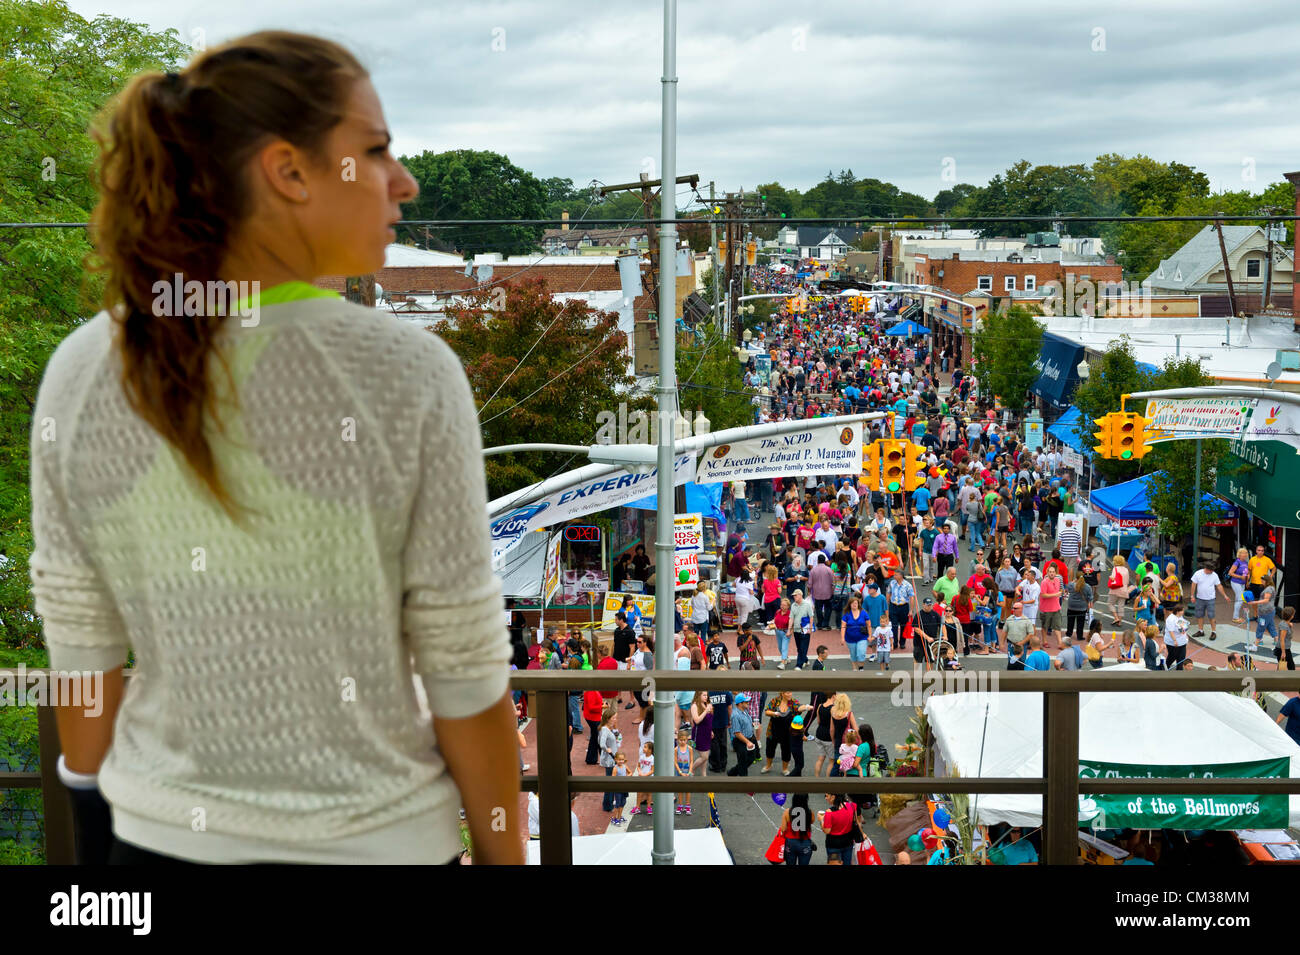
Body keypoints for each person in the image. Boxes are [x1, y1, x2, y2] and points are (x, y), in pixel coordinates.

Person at [32, 32, 524, 865]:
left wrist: (95, 833)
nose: (403, 182)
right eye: (374, 152)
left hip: (148, 847)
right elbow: (465, 671)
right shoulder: (406, 371)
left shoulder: (81, 369)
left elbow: (81, 656)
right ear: (290, 172)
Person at [1188, 560, 1229, 640]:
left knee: (1211, 615)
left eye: (1212, 570)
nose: (1211, 572)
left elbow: (1219, 586)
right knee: (1199, 615)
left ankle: (1214, 632)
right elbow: (1193, 585)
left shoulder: (1214, 575)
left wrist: (1225, 595)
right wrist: (1192, 595)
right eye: (1210, 570)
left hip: (1210, 598)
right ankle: (1201, 631)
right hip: (1200, 598)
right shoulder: (1198, 573)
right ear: (1206, 568)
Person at [760, 691, 798, 776]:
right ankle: (768, 766)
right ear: (782, 693)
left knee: (786, 751)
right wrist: (774, 713)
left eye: (791, 692)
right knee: (770, 749)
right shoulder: (775, 701)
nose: (790, 694)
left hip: (787, 732)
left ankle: (785, 769)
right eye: (787, 693)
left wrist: (806, 707)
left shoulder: (794, 702)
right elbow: (766, 711)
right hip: (773, 731)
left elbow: (799, 708)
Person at [818, 793, 858, 866]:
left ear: (833, 797)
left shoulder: (829, 812)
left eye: (827, 796)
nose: (825, 798)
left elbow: (827, 831)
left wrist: (821, 820)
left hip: (834, 845)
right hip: (848, 842)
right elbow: (856, 821)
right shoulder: (852, 805)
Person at [726, 693, 758, 776]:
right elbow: (737, 733)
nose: (748, 702)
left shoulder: (744, 710)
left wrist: (752, 724)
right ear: (740, 704)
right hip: (741, 742)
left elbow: (744, 723)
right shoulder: (735, 715)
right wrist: (747, 742)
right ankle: (744, 785)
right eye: (746, 701)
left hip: (750, 738)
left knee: (751, 758)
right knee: (743, 764)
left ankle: (732, 772)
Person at [781, 793, 814, 865]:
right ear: (806, 800)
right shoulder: (810, 812)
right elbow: (811, 822)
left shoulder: (787, 812)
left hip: (790, 843)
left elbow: (783, 829)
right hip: (805, 842)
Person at [840, 595, 871, 670]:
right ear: (850, 605)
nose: (854, 605)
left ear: (858, 604)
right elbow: (843, 627)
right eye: (853, 603)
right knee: (853, 655)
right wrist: (842, 638)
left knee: (861, 653)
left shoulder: (863, 613)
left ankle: (861, 667)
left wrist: (870, 635)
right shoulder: (846, 614)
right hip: (850, 639)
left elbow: (869, 624)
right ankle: (854, 669)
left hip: (862, 637)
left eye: (856, 603)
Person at [1001, 601, 1034, 670]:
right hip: (1011, 644)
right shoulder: (1009, 619)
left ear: (1021, 609)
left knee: (1021, 663)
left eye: (1016, 608)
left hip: (1022, 646)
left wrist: (1022, 643)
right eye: (1013, 608)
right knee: (1011, 663)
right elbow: (1004, 631)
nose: (1013, 610)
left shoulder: (1027, 620)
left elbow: (1031, 634)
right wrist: (1002, 643)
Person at [1250, 585, 1279, 653]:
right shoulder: (1271, 588)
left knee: (1260, 628)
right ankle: (1277, 642)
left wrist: (1254, 602)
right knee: (1271, 626)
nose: (1261, 582)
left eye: (1263, 580)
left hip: (1265, 613)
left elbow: (1266, 600)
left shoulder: (1269, 589)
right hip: (1269, 612)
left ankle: (1256, 645)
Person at [1162, 603, 1190, 670]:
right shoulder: (1170, 619)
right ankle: (1164, 669)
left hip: (1182, 642)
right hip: (1172, 643)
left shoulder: (1180, 617)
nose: (1183, 612)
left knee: (1181, 660)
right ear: (1178, 611)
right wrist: (1174, 640)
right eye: (1182, 611)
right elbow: (1171, 631)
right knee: (1171, 658)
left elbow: (1182, 626)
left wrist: (1186, 635)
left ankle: (1179, 674)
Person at [1227, 547, 1251, 623]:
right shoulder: (1237, 562)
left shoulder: (1245, 562)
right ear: (1239, 554)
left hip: (1242, 583)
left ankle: (1236, 617)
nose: (1244, 555)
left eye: (1246, 553)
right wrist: (1240, 577)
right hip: (1235, 582)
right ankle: (1235, 617)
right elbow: (1230, 573)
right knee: (1241, 599)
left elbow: (1246, 573)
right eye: (1243, 553)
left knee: (1238, 599)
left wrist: (1247, 582)